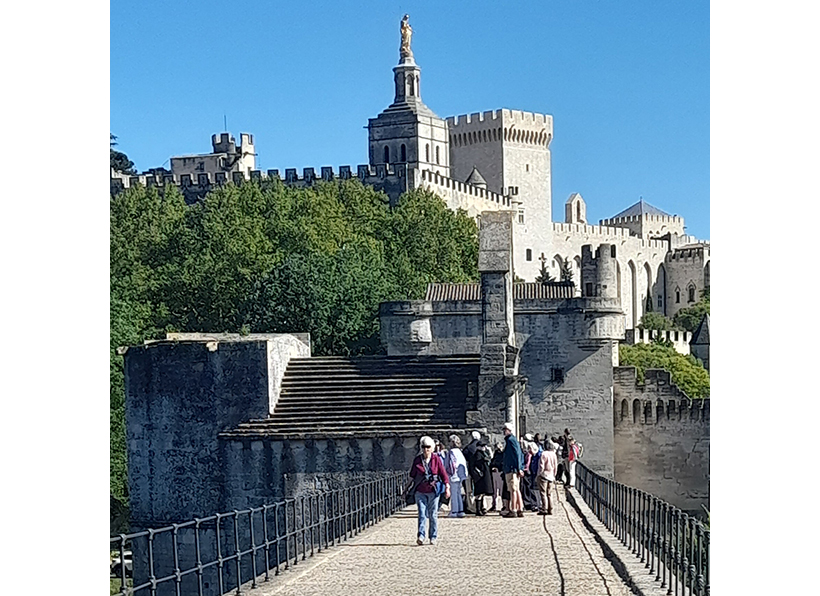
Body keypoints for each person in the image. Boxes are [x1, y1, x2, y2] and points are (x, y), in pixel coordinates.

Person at [409, 436, 450, 545]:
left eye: (428, 447)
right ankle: (421, 535)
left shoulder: (436, 459)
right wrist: (406, 489)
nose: (425, 449)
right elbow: (412, 476)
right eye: (423, 447)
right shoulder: (418, 460)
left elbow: (443, 474)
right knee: (422, 514)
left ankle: (433, 536)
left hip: (433, 490)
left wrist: (447, 487)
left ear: (432, 448)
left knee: (433, 515)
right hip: (420, 490)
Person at [501, 422, 525, 518]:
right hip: (513, 468)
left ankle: (514, 509)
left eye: (505, 430)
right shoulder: (511, 440)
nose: (504, 431)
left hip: (512, 469)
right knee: (516, 489)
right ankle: (520, 508)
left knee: (513, 490)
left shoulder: (511, 440)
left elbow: (518, 454)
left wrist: (519, 468)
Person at [444, 434, 468, 518]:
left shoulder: (452, 452)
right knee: (458, 493)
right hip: (460, 475)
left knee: (454, 494)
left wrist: (449, 473)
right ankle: (460, 510)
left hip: (453, 475)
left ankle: (454, 511)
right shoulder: (459, 452)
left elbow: (451, 464)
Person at [471, 441, 493, 515]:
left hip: (484, 475)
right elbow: (477, 464)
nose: (484, 447)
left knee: (482, 493)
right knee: (479, 493)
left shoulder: (483, 453)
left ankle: (481, 508)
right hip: (480, 476)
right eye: (482, 446)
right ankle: (478, 509)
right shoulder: (477, 454)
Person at [537, 439, 559, 515]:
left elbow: (541, 466)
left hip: (544, 475)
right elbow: (555, 466)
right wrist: (554, 475)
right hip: (551, 475)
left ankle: (544, 508)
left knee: (543, 493)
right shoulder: (554, 454)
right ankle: (551, 509)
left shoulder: (544, 454)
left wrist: (539, 474)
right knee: (550, 493)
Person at [463, 431, 481, 514]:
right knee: (480, 490)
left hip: (470, 470)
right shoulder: (482, 446)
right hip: (480, 471)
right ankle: (481, 507)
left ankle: (471, 507)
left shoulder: (468, 448)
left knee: (469, 490)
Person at [490, 441, 505, 512]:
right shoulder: (496, 453)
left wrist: (498, 467)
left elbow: (503, 462)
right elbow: (493, 461)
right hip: (494, 472)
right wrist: (493, 467)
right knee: (494, 490)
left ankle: (503, 505)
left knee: (501, 489)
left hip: (500, 472)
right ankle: (494, 504)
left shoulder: (503, 454)